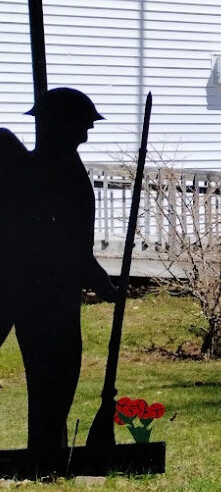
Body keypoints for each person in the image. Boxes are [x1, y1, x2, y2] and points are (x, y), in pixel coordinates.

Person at [0, 88, 119, 454]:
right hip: (45, 298)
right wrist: (102, 283)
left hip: (50, 294)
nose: (86, 133)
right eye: (82, 125)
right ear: (58, 125)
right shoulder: (52, 173)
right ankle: (45, 455)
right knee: (54, 376)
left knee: (54, 379)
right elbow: (67, 245)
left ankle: (45, 453)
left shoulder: (57, 166)